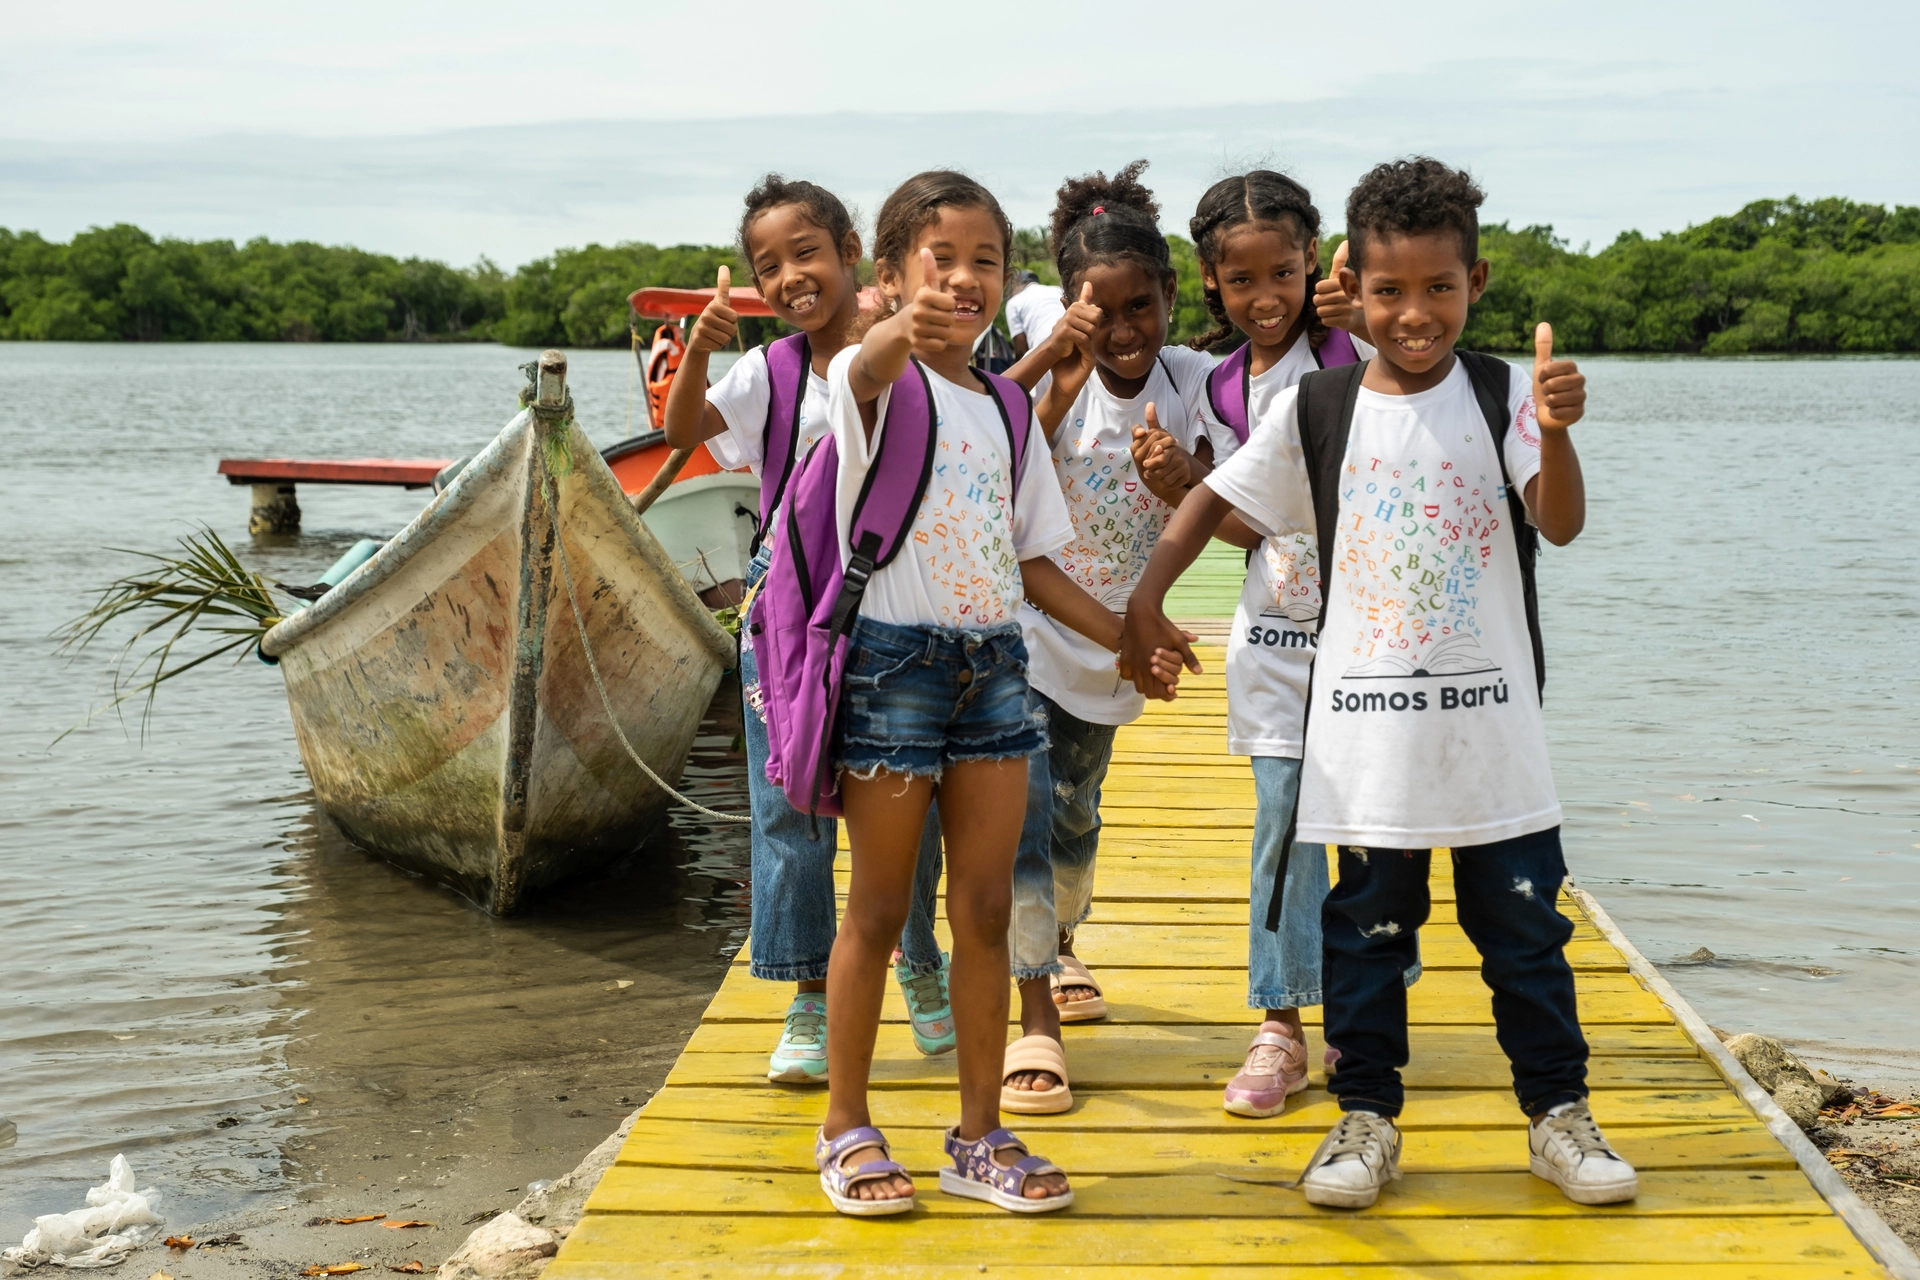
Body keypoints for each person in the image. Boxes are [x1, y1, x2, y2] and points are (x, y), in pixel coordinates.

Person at [1122, 157, 1640, 1209]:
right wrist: (1143, 602)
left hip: (1495, 736)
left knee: (1528, 933)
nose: (1415, 313)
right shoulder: (1320, 405)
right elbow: (1209, 499)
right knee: (1364, 932)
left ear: (1476, 280)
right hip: (1363, 740)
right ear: (1355, 286)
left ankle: (1557, 1115)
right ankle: (1367, 1117)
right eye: (1391, 291)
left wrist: (1563, 428)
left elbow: (1563, 518)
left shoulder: (1501, 394)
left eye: (1439, 288)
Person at [813, 170, 1120, 1216]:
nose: (964, 279)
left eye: (985, 259)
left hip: (995, 668)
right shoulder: (867, 380)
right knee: (881, 903)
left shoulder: (1004, 407)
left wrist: (1131, 634)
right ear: (888, 275)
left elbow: (1031, 559)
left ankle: (978, 1133)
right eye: (939, 258)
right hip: (893, 667)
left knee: (987, 907)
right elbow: (867, 360)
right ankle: (846, 1123)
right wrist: (901, 324)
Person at [661, 176, 955, 1086]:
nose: (791, 276)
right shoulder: (771, 371)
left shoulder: (903, 354)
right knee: (786, 807)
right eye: (768, 266)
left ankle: (919, 959)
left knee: (897, 804)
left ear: (849, 253)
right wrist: (701, 355)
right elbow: (680, 433)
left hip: (893, 602)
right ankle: (806, 997)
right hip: (785, 610)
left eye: (806, 253)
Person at [1153, 170, 1416, 1121]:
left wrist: (1363, 324)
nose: (1266, 298)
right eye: (1243, 281)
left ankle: (1362, 1008)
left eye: (1286, 274)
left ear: (1316, 265)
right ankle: (1281, 1023)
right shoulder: (1223, 385)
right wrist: (1182, 478)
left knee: (1373, 835)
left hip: (1375, 641)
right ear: (1214, 285)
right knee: (1284, 825)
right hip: (1272, 638)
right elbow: (1244, 522)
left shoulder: (1360, 350)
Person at [991, 161, 1221, 1114]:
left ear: (1172, 294)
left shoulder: (1199, 381)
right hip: (1022, 630)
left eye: (1142, 307)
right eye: (1102, 311)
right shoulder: (1053, 352)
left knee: (1075, 819)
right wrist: (1052, 377)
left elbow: (1247, 472)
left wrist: (1189, 470)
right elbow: (984, 456)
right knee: (1021, 828)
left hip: (1114, 650)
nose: (1123, 331)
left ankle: (1066, 939)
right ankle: (1033, 1012)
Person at [1004, 269, 1066, 359]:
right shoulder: (1057, 289)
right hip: (1072, 339)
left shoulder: (1014, 302)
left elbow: (1021, 350)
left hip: (1044, 350)